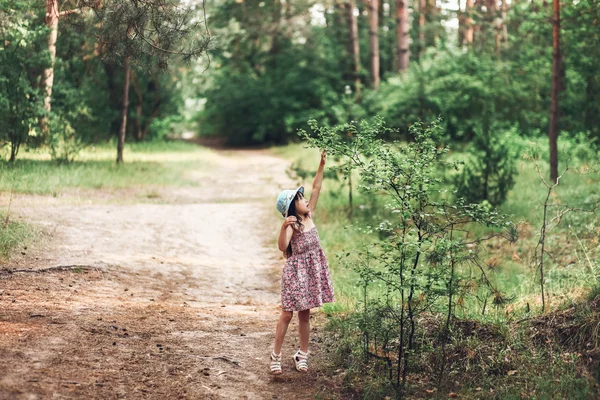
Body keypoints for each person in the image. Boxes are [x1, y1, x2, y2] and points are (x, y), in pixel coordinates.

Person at [270, 151, 335, 375]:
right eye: (300, 199)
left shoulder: (310, 217)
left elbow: (316, 188)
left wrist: (321, 164)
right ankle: (275, 356)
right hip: (295, 273)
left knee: (305, 314)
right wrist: (282, 228)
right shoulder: (291, 224)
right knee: (287, 314)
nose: (305, 200)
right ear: (291, 207)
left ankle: (302, 355)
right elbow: (282, 246)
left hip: (311, 271)